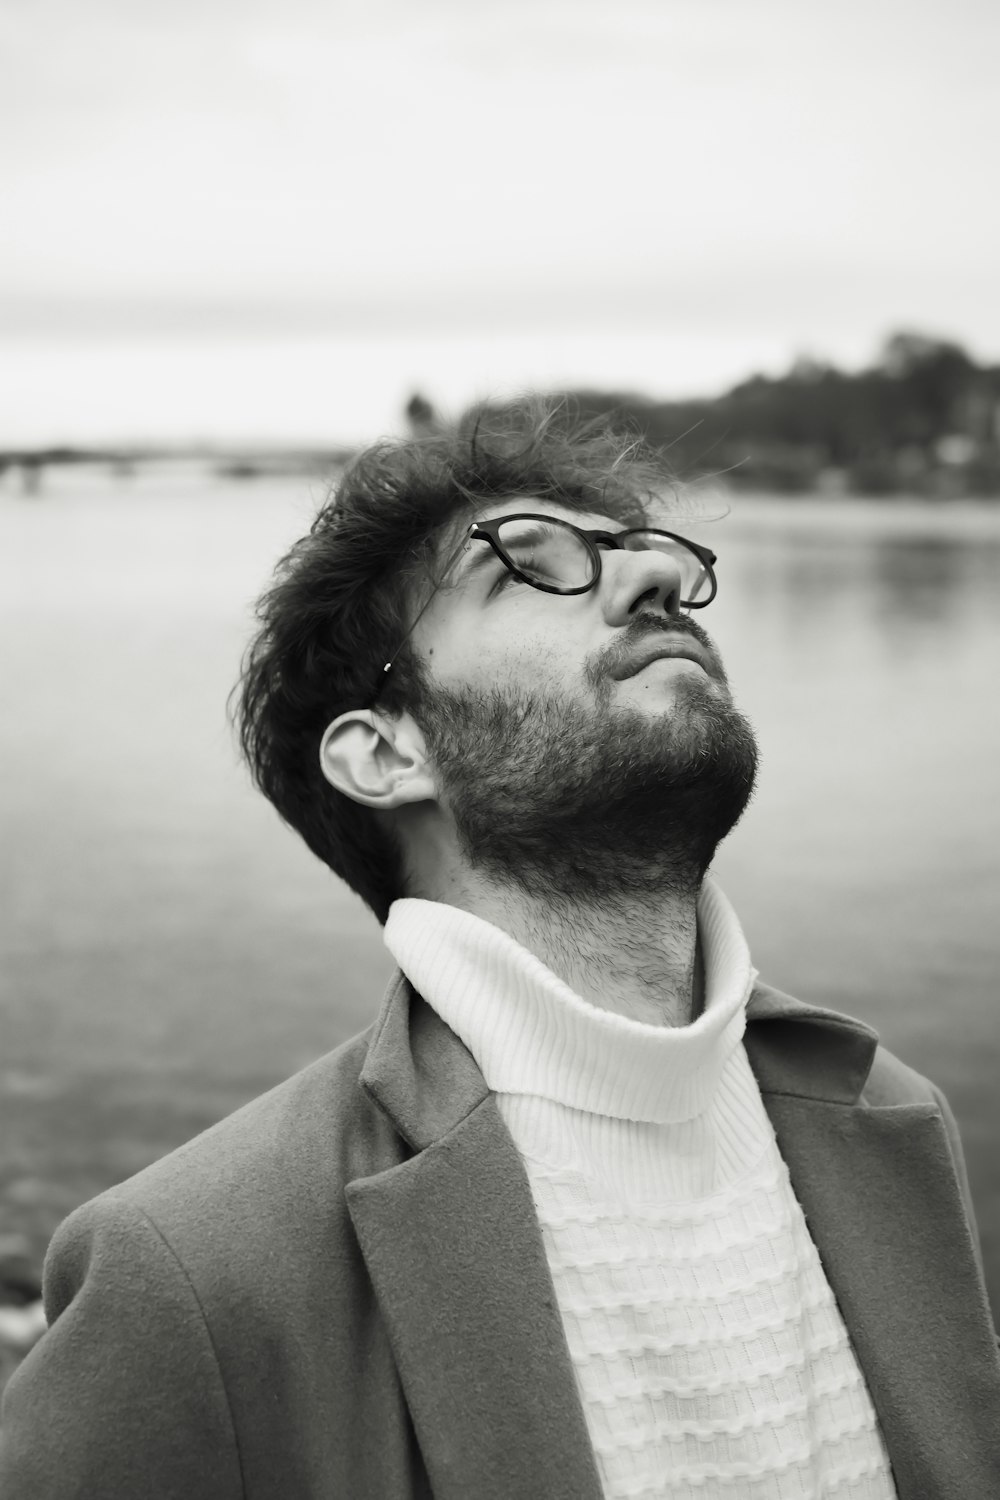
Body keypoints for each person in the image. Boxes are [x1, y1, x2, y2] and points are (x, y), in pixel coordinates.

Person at [1, 401, 998, 1500]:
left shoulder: (894, 1118)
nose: (650, 581)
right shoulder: (193, 1272)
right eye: (530, 569)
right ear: (385, 754)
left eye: (647, 555)